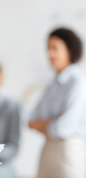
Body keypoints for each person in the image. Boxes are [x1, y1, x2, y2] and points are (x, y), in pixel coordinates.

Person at [29, 28, 86, 178]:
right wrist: (53, 121)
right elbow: (31, 120)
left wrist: (46, 124)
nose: (50, 54)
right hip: (48, 150)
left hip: (68, 151)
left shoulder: (78, 82)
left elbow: (63, 128)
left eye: (55, 48)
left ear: (70, 51)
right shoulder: (52, 84)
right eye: (48, 48)